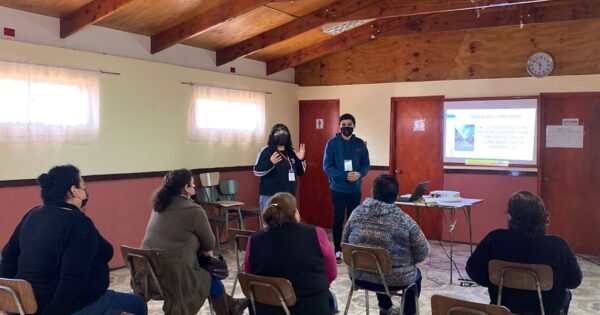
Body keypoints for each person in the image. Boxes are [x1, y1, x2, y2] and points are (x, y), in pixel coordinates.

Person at [0, 165, 146, 315]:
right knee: (136, 303)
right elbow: (71, 281)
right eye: (83, 186)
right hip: (61, 306)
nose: (86, 191)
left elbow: (7, 258)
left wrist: (7, 301)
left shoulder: (33, 214)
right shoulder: (78, 223)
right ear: (74, 190)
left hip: (23, 304)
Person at [139, 169, 248, 315]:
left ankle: (230, 304)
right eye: (193, 184)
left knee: (207, 273)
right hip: (174, 276)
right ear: (186, 187)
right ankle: (228, 307)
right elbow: (210, 244)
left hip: (148, 274)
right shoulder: (194, 210)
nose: (195, 186)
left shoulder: (158, 206)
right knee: (208, 274)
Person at [466, 191, 582, 315]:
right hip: (547, 308)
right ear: (543, 217)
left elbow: (473, 270)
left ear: (510, 216)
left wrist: (493, 282)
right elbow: (574, 281)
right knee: (567, 295)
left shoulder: (494, 239)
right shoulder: (558, 245)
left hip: (504, 305)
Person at [342, 175, 429, 315]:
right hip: (396, 280)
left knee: (379, 266)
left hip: (358, 276)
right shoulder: (404, 221)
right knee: (414, 275)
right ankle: (407, 313)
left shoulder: (356, 213)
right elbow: (422, 251)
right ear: (395, 196)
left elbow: (344, 242)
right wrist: (406, 261)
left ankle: (385, 308)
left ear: (372, 192)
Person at [243, 192, 337, 315]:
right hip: (311, 306)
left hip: (267, 308)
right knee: (332, 298)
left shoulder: (254, 239)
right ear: (295, 213)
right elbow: (331, 273)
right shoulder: (316, 233)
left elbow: (249, 274)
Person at [323, 113, 370, 263]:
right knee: (338, 219)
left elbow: (366, 164)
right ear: (339, 126)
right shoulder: (332, 144)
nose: (346, 127)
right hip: (337, 189)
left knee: (353, 220)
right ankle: (337, 250)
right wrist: (344, 175)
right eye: (343, 125)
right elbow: (327, 167)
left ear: (354, 126)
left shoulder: (360, 144)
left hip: (355, 189)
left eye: (349, 125)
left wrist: (359, 174)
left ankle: (351, 248)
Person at [254, 123, 306, 213]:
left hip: (289, 196)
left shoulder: (291, 152)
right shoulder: (266, 151)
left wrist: (300, 159)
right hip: (270, 196)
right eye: (278, 133)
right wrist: (270, 163)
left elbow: (300, 172)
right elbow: (257, 171)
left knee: (288, 224)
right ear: (272, 136)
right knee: (269, 224)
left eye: (284, 132)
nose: (281, 134)